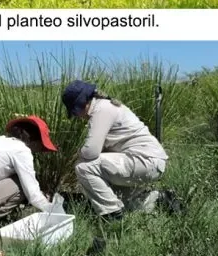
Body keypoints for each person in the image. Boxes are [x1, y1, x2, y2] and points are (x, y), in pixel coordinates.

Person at [61, 79, 173, 221]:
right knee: (119, 200)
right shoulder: (105, 107)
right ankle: (158, 199)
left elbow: (91, 152)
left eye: (75, 112)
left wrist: (77, 154)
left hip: (144, 161)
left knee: (83, 167)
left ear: (82, 105)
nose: (77, 117)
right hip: (149, 161)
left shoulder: (102, 110)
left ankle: (112, 215)